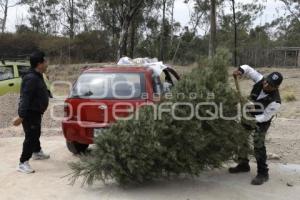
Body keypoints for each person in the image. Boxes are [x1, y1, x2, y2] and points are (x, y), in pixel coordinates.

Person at [230, 64, 283, 185]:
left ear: (276, 87)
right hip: (249, 114)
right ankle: (243, 164)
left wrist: (252, 116)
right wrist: (240, 71)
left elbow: (265, 117)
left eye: (270, 85)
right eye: (266, 82)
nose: (266, 85)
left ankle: (263, 173)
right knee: (241, 137)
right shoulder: (260, 79)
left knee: (258, 143)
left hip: (262, 120)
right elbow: (248, 69)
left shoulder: (275, 101)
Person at [13, 51, 50, 174]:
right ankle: (23, 163)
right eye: (45, 61)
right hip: (29, 113)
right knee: (31, 136)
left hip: (36, 111)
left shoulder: (37, 75)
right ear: (39, 64)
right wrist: (21, 116)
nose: (47, 64)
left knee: (36, 132)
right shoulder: (31, 78)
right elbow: (25, 97)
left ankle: (37, 151)